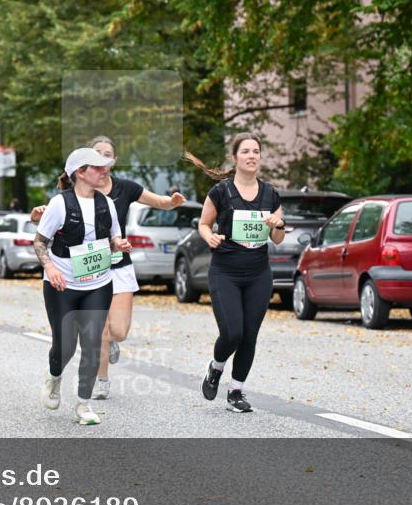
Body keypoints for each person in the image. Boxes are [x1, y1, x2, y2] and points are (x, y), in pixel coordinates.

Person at [33, 136, 187, 399]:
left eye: (107, 155)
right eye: (97, 154)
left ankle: (110, 342)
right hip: (86, 272)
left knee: (118, 331)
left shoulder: (124, 188)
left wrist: (172, 201)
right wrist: (38, 219)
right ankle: (101, 381)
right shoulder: (70, 196)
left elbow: (158, 202)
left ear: (112, 162)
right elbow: (47, 226)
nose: (102, 159)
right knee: (99, 328)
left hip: (118, 265)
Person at [185, 133, 285, 413]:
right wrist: (209, 237)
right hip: (225, 272)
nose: (252, 155)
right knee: (232, 333)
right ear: (235, 157)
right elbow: (204, 224)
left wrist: (277, 224)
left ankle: (236, 391)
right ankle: (216, 367)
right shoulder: (221, 191)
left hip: (258, 274)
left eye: (256, 151)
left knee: (249, 335)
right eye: (246, 151)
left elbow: (277, 238)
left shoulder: (270, 194)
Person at [33, 147, 132, 426]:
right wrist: (50, 268)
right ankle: (53, 377)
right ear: (80, 172)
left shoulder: (107, 204)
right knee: (64, 346)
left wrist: (119, 244)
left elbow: (113, 238)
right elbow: (40, 242)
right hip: (62, 284)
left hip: (98, 283)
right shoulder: (60, 204)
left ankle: (83, 404)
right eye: (98, 167)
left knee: (91, 344)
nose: (104, 171)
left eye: (105, 167)